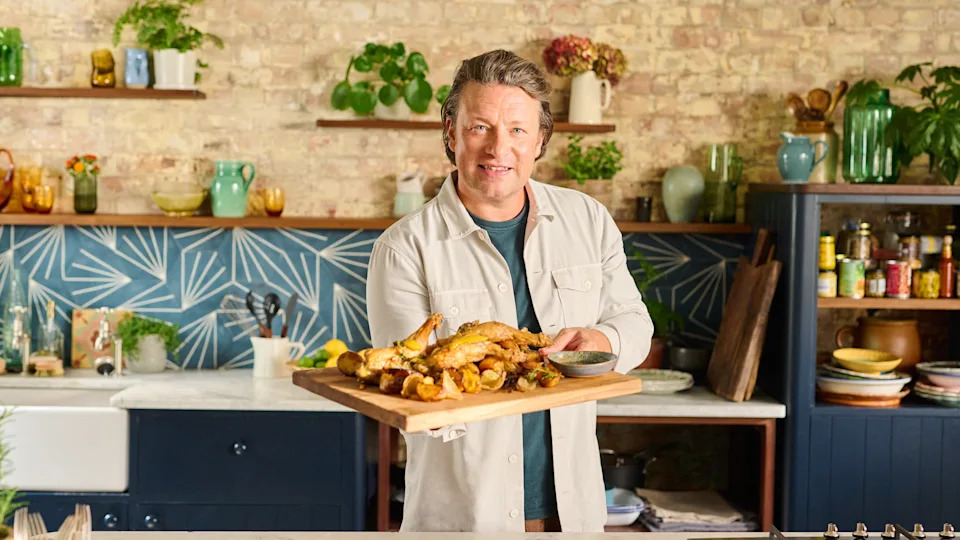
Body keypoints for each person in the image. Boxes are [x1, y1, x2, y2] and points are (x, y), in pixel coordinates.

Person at [367, 49, 652, 533]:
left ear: (540, 139)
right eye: (480, 127)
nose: (499, 149)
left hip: (572, 512)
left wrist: (603, 344)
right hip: (467, 519)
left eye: (517, 130)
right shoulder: (403, 248)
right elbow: (410, 389)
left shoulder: (587, 221)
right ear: (450, 133)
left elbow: (635, 323)